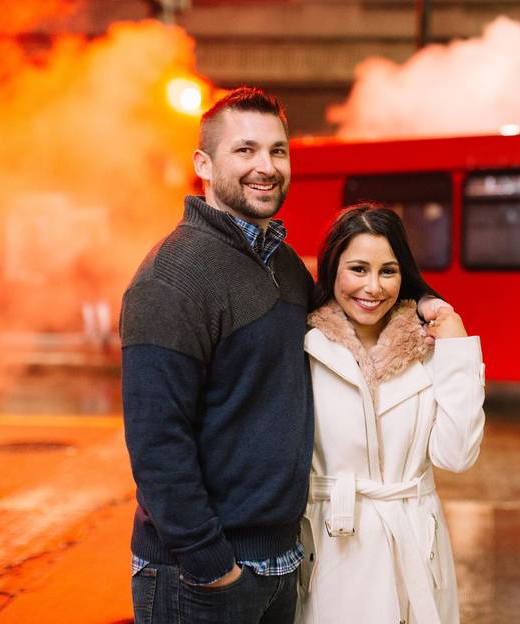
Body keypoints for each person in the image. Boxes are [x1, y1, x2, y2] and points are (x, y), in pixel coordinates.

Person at [120, 87, 449, 624]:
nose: (266, 166)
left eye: (278, 151)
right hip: (201, 575)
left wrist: (428, 302)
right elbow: (157, 444)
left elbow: (362, 302)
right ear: (203, 164)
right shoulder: (171, 279)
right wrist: (212, 567)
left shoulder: (286, 269)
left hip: (284, 565)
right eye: (244, 150)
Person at [298, 204, 485, 624]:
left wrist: (457, 348)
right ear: (332, 270)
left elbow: (456, 456)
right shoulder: (304, 348)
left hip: (415, 549)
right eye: (358, 269)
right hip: (333, 549)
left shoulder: (430, 350)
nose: (373, 287)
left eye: (388, 270)